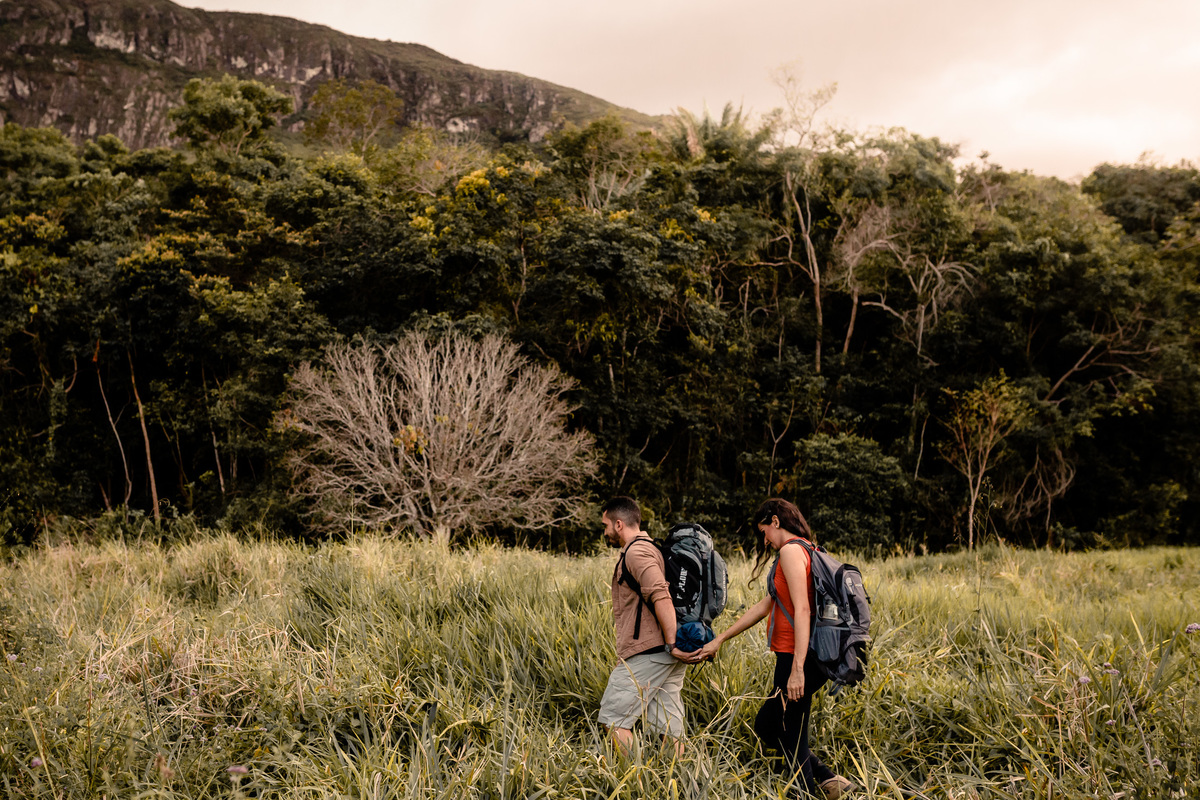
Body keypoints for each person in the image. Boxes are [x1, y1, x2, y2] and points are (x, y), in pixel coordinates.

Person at [685, 498, 857, 799]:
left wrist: (797, 670)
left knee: (787, 730)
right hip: (804, 654)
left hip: (798, 655)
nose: (763, 538)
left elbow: (803, 610)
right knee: (775, 725)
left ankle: (806, 791)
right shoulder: (807, 547)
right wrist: (721, 638)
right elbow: (768, 603)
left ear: (776, 521)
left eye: (764, 530)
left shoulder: (791, 551)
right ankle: (831, 782)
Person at [598, 496, 691, 754]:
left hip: (652, 650)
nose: (605, 531)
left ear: (619, 524)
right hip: (659, 652)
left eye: (605, 525)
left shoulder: (637, 552)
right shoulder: (650, 548)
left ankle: (634, 784)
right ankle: (681, 783)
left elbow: (660, 595)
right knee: (667, 725)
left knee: (614, 719)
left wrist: (672, 643)